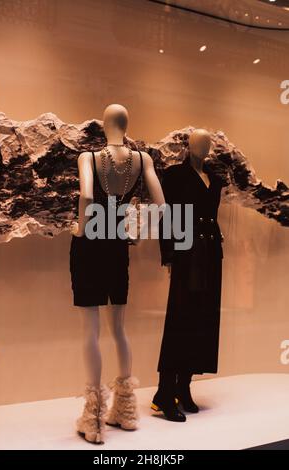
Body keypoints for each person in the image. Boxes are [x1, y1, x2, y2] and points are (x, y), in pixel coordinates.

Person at [70, 103, 165, 443]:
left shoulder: (88, 157)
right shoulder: (143, 160)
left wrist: (81, 230)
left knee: (91, 330)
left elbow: (85, 194)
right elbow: (162, 206)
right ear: (126, 124)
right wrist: (136, 231)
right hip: (116, 244)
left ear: (103, 124)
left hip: (90, 245)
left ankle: (93, 420)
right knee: (119, 329)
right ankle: (125, 412)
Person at [151, 129, 224, 422]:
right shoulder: (175, 176)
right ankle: (164, 393)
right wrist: (168, 254)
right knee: (180, 321)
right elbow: (167, 215)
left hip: (210, 255)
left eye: (208, 143)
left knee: (202, 321)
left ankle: (184, 386)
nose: (204, 147)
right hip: (186, 254)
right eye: (199, 142)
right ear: (189, 145)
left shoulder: (215, 180)